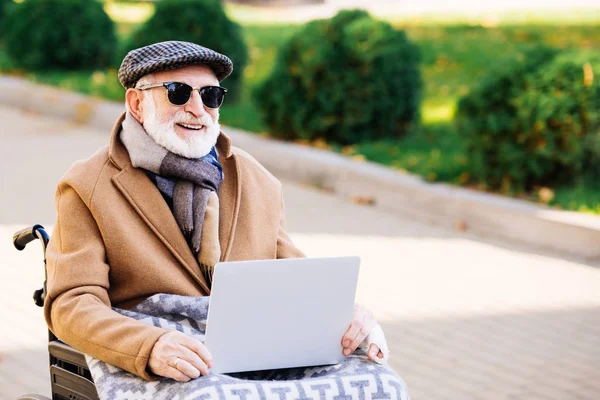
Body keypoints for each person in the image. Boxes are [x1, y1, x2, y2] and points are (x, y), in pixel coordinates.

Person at [43, 41, 384, 383]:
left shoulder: (254, 178)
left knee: (379, 383)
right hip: (160, 359)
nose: (197, 108)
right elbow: (71, 303)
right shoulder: (87, 185)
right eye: (178, 93)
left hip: (252, 349)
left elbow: (296, 280)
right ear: (136, 103)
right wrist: (148, 346)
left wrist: (346, 315)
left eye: (210, 95)